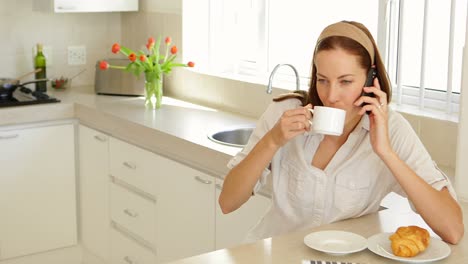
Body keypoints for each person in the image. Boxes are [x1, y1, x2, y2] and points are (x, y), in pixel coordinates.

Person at [219, 21, 464, 244]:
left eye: (345, 81)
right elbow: (228, 202)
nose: (331, 96)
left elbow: (452, 229)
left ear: (371, 77)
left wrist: (386, 152)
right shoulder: (285, 113)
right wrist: (272, 141)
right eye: (322, 80)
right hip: (275, 256)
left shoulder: (391, 128)